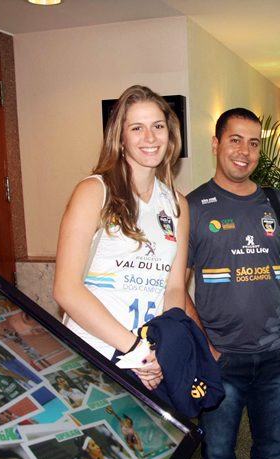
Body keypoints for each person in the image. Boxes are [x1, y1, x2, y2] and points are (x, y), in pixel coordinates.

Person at [185, 108, 280, 459]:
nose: (245, 151)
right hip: (221, 360)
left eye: (254, 143)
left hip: (277, 356)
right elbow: (175, 288)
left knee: (272, 455)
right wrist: (207, 347)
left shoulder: (277, 203)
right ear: (216, 144)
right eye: (235, 140)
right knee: (219, 458)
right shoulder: (191, 207)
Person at [53, 85, 189, 391]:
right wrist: (135, 350)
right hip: (95, 355)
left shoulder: (178, 204)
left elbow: (175, 287)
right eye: (137, 128)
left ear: (170, 134)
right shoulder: (93, 191)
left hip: (150, 358)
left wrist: (162, 350)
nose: (150, 138)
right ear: (121, 137)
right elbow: (66, 289)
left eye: (157, 126)